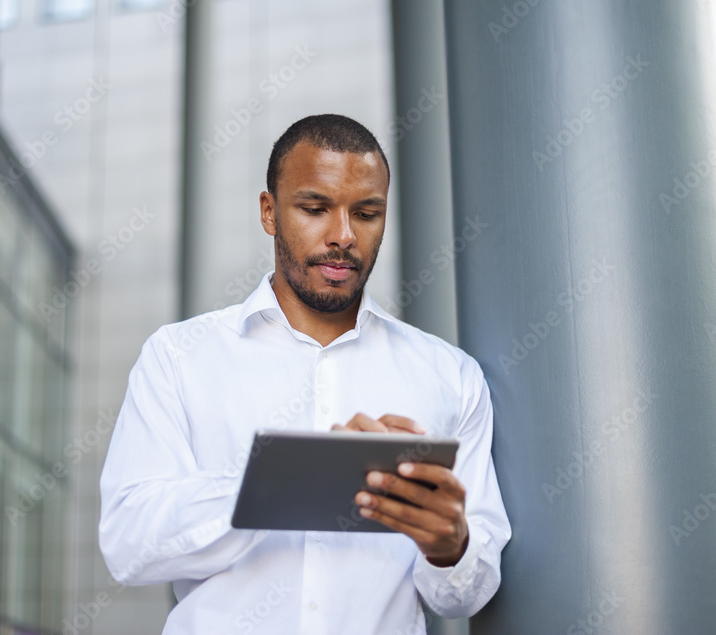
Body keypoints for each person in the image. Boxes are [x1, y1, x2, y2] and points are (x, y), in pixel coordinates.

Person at [99, 114, 511, 634]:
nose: (342, 236)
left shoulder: (450, 376)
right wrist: (286, 479)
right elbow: (128, 544)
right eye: (315, 208)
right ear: (269, 212)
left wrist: (450, 547)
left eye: (366, 213)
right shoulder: (179, 357)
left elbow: (466, 595)